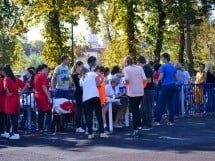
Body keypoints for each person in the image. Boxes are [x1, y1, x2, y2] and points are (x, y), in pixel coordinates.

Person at [79, 67, 108, 139]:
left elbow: (82, 88)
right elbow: (98, 84)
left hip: (86, 98)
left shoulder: (81, 79)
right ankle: (102, 132)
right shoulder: (92, 74)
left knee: (89, 116)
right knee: (99, 115)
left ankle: (90, 134)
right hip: (95, 96)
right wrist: (101, 79)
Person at [123, 56, 147, 137]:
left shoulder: (126, 69)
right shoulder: (139, 68)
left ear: (126, 62)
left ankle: (136, 129)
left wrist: (126, 83)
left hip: (132, 92)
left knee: (134, 111)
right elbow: (144, 79)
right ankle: (139, 127)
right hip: (140, 91)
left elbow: (126, 79)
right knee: (137, 110)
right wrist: (141, 86)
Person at [1, 65, 26, 140]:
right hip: (16, 98)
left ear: (5, 71)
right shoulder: (15, 78)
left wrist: (8, 93)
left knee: (11, 118)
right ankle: (10, 133)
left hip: (10, 99)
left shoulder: (6, 78)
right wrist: (20, 93)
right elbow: (24, 85)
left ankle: (15, 133)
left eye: (2, 71)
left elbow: (5, 87)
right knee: (14, 117)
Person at [154, 53, 177, 126]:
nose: (161, 59)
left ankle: (157, 121)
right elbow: (176, 78)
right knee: (171, 104)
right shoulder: (173, 67)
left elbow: (161, 76)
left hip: (165, 86)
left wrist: (157, 83)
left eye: (162, 58)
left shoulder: (163, 67)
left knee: (161, 104)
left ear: (165, 58)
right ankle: (171, 121)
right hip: (173, 85)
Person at [34, 64, 52, 134]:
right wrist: (48, 96)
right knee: (49, 112)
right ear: (44, 69)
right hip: (42, 96)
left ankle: (40, 129)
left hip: (37, 95)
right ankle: (47, 129)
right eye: (47, 69)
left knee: (41, 113)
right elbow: (44, 86)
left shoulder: (36, 75)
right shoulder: (42, 75)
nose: (48, 71)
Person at [137, 56, 155, 130]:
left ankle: (148, 124)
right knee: (144, 107)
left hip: (147, 90)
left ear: (139, 62)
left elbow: (149, 80)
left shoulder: (145, 69)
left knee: (147, 108)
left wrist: (139, 81)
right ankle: (144, 123)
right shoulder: (146, 68)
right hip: (147, 90)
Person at [71, 61, 85, 133]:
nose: (82, 67)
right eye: (81, 66)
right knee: (79, 110)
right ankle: (78, 126)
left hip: (80, 93)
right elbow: (80, 77)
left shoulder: (78, 74)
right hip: (78, 93)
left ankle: (79, 126)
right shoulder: (75, 74)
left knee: (81, 110)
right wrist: (83, 72)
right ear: (77, 66)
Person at [0, 67, 6, 137]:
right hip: (4, 99)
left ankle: (2, 131)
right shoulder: (3, 79)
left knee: (2, 116)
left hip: (2, 99)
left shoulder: (2, 80)